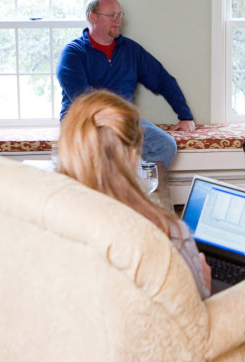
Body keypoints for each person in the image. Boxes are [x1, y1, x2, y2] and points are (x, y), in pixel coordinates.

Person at [57, 89, 211, 299]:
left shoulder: (46, 218)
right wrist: (205, 284)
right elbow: (196, 311)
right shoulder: (171, 234)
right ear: (133, 154)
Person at [57, 0, 195, 169]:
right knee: (105, 150)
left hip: (124, 121)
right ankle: (115, 189)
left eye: (119, 15)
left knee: (165, 145)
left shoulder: (131, 50)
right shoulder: (73, 53)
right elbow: (83, 99)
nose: (117, 20)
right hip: (86, 122)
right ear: (93, 17)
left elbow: (162, 79)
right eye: (111, 15)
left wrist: (185, 116)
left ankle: (138, 190)